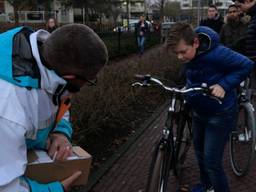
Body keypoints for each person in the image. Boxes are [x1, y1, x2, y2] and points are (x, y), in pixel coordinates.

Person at [0, 24, 108, 191]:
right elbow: (6, 185)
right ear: (70, 77)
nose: (87, 85)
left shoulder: (46, 61)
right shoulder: (9, 107)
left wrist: (60, 132)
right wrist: (55, 189)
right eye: (89, 80)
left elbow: (59, 101)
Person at [166, 22, 253, 192]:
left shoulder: (218, 53)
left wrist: (224, 85)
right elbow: (196, 75)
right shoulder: (190, 55)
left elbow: (247, 65)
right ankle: (207, 187)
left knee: (212, 162)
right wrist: (187, 87)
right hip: (199, 112)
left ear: (196, 43)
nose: (180, 57)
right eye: (176, 53)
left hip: (220, 114)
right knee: (200, 155)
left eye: (183, 52)